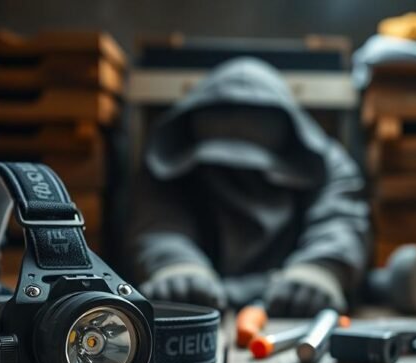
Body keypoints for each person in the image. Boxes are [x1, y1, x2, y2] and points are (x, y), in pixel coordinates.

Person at [129, 57, 370, 317]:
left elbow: (342, 216)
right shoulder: (163, 158)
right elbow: (154, 220)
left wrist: (321, 268)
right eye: (223, 166)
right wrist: (175, 264)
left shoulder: (327, 163)